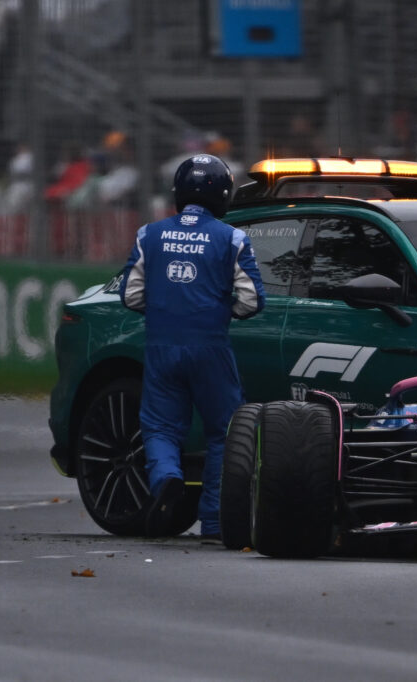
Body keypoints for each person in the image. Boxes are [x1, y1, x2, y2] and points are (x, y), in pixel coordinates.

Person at [119, 154, 266, 542]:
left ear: (178, 193)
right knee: (224, 431)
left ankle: (167, 478)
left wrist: (168, 306)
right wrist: (220, 310)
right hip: (210, 347)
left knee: (160, 426)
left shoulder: (149, 233)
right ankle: (215, 520)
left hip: (162, 345)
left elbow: (131, 296)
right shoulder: (232, 237)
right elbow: (252, 301)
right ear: (223, 195)